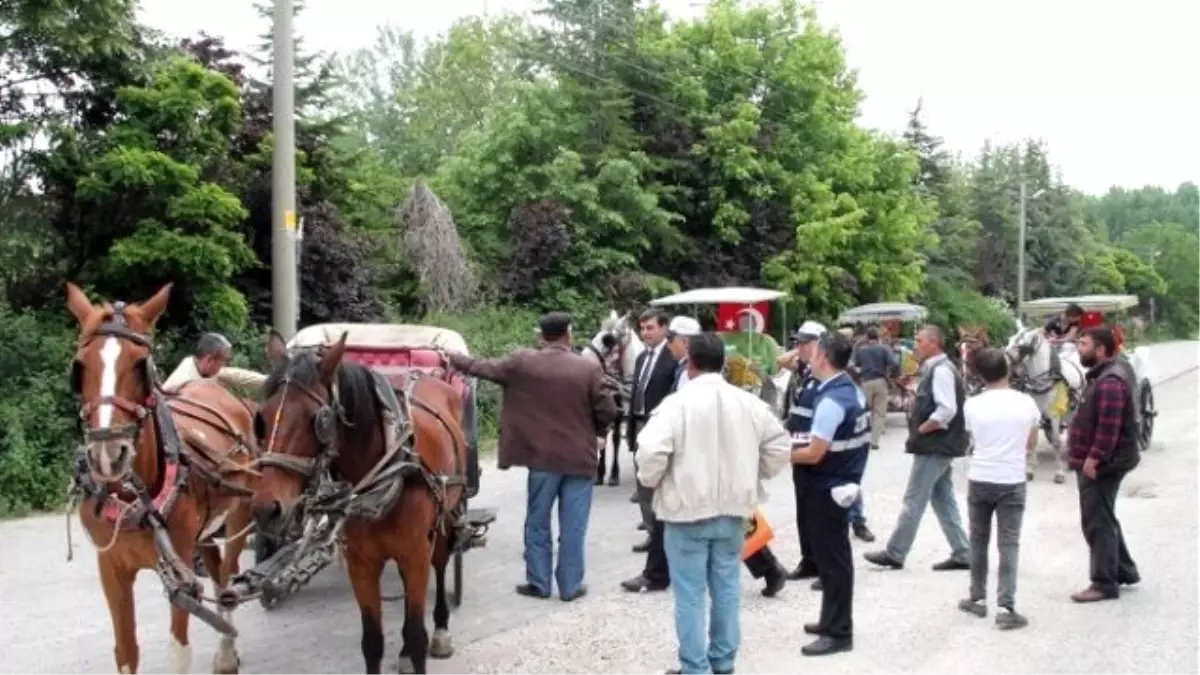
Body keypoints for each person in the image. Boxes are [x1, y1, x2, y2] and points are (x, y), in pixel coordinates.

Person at [636, 333, 791, 675]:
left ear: (689, 361)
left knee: (690, 593)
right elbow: (781, 446)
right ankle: (723, 661)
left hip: (686, 512)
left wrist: (654, 479)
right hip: (734, 511)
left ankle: (695, 666)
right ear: (723, 362)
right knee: (727, 588)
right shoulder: (748, 403)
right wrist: (755, 475)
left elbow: (649, 452)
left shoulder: (676, 405)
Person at [446, 312, 618, 601]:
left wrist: (454, 358)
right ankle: (570, 586)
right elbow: (608, 410)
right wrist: (599, 432)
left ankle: (538, 583)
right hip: (580, 460)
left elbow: (483, 367)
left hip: (542, 460)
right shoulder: (588, 369)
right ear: (569, 334)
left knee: (537, 522)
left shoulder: (522, 363)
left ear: (541, 336)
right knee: (573, 525)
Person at [668, 315, 788, 597]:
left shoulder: (698, 376)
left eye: (672, 340)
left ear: (686, 343)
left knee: (733, 519)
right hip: (700, 455)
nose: (669, 345)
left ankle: (769, 568)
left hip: (708, 454)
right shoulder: (684, 370)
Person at [864, 325, 971, 571]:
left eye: (919, 340)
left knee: (914, 500)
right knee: (943, 499)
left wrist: (922, 429)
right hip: (939, 446)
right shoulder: (938, 369)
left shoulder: (941, 371)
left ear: (934, 343)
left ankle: (895, 552)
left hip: (934, 446)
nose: (915, 344)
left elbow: (946, 409)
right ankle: (963, 552)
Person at [789, 331, 869, 656]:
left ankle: (838, 632)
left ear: (822, 356)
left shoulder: (831, 401)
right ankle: (831, 619)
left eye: (814, 349)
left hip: (827, 487)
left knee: (834, 563)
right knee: (832, 559)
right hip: (840, 483)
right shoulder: (848, 389)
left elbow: (813, 453)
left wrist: (778, 452)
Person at [782, 322, 875, 589]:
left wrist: (778, 454)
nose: (800, 348)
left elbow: (818, 448)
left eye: (806, 343)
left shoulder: (834, 391)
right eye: (798, 343)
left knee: (829, 531)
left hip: (825, 466)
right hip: (807, 453)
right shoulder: (815, 378)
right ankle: (810, 560)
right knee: (806, 514)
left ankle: (826, 571)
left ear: (821, 350)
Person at [957, 347, 1039, 629]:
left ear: (980, 375)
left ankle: (977, 598)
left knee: (978, 540)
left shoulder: (972, 404)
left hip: (980, 476)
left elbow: (973, 440)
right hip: (1011, 479)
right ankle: (1006, 606)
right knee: (1009, 543)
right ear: (1008, 370)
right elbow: (1031, 444)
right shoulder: (1026, 403)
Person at [1067, 326, 1141, 603]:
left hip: (1103, 464)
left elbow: (1109, 428)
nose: (1079, 348)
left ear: (1100, 350)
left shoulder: (1109, 381)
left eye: (1083, 344)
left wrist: (1093, 458)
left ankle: (1104, 582)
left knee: (1096, 521)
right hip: (1103, 461)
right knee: (1105, 516)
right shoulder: (1104, 376)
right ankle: (1123, 570)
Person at [623, 309, 678, 587]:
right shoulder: (642, 357)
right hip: (640, 424)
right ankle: (651, 530)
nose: (646, 333)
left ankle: (663, 537)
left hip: (660, 427)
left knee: (660, 483)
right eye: (642, 328)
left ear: (665, 329)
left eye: (651, 328)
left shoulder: (673, 360)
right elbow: (637, 392)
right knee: (643, 483)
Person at [162, 332, 266, 392]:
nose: (225, 365)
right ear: (209, 360)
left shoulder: (199, 367)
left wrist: (273, 381)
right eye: (224, 360)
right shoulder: (183, 386)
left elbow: (238, 376)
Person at [850, 327, 892, 450]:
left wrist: (858, 370)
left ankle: (862, 438)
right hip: (881, 381)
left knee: (864, 411)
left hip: (865, 382)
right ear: (878, 337)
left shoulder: (861, 350)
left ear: (867, 338)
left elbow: (851, 363)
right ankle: (874, 442)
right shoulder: (885, 349)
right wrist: (888, 374)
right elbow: (894, 363)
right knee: (879, 412)